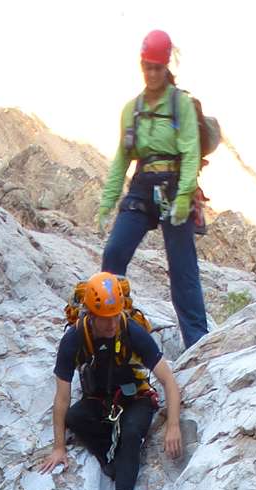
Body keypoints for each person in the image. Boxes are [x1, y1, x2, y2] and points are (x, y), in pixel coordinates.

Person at [40, 271, 182, 490]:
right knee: (75, 417)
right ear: (90, 315)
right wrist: (59, 447)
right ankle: (113, 462)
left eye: (116, 316)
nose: (112, 324)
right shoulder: (75, 338)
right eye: (105, 319)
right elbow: (62, 398)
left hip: (136, 397)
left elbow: (168, 382)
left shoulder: (131, 331)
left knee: (131, 433)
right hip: (100, 400)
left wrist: (173, 425)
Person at [96, 29, 208, 349]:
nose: (152, 74)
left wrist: (185, 196)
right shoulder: (131, 109)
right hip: (143, 186)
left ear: (166, 66)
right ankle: (109, 334)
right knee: (114, 253)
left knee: (182, 269)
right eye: (147, 67)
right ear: (141, 65)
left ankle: (197, 343)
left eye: (158, 68)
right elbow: (122, 158)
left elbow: (190, 152)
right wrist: (108, 201)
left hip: (174, 187)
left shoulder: (180, 104)